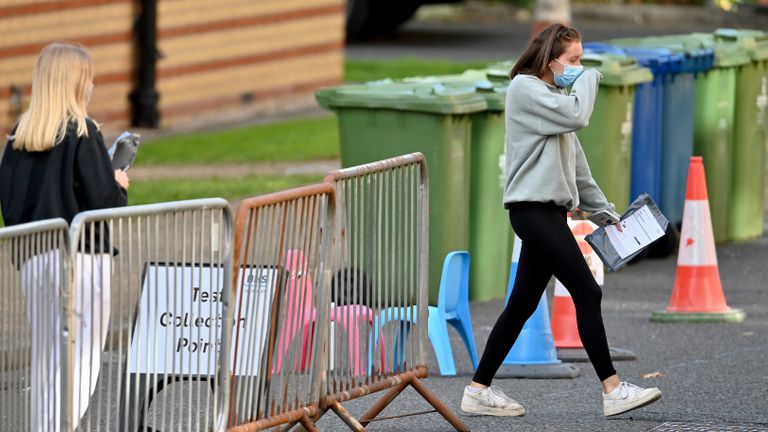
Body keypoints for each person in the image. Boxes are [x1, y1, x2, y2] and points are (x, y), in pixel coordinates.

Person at [460, 24, 661, 418]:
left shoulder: (553, 98)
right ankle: (613, 389)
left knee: (521, 305)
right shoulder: (525, 89)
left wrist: (603, 209)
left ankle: (477, 390)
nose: (579, 68)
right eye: (572, 61)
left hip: (549, 212)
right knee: (588, 291)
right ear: (550, 58)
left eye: (582, 61)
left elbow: (577, 164)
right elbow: (578, 115)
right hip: (532, 211)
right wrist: (588, 79)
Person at [0, 42, 128, 431]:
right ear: (77, 82)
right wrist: (118, 181)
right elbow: (102, 200)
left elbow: (10, 201)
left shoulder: (19, 136)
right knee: (81, 357)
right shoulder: (83, 132)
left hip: (33, 257)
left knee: (46, 357)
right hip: (80, 257)